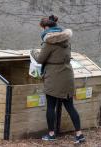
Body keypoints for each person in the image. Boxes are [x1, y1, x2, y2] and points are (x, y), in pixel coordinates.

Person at [30, 15, 85, 144]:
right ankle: (79, 134)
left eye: (43, 28)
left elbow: (40, 59)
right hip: (67, 74)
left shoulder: (49, 41)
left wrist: (33, 52)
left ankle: (51, 134)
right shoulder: (66, 40)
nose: (42, 31)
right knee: (70, 106)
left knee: (51, 106)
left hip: (54, 76)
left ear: (47, 27)